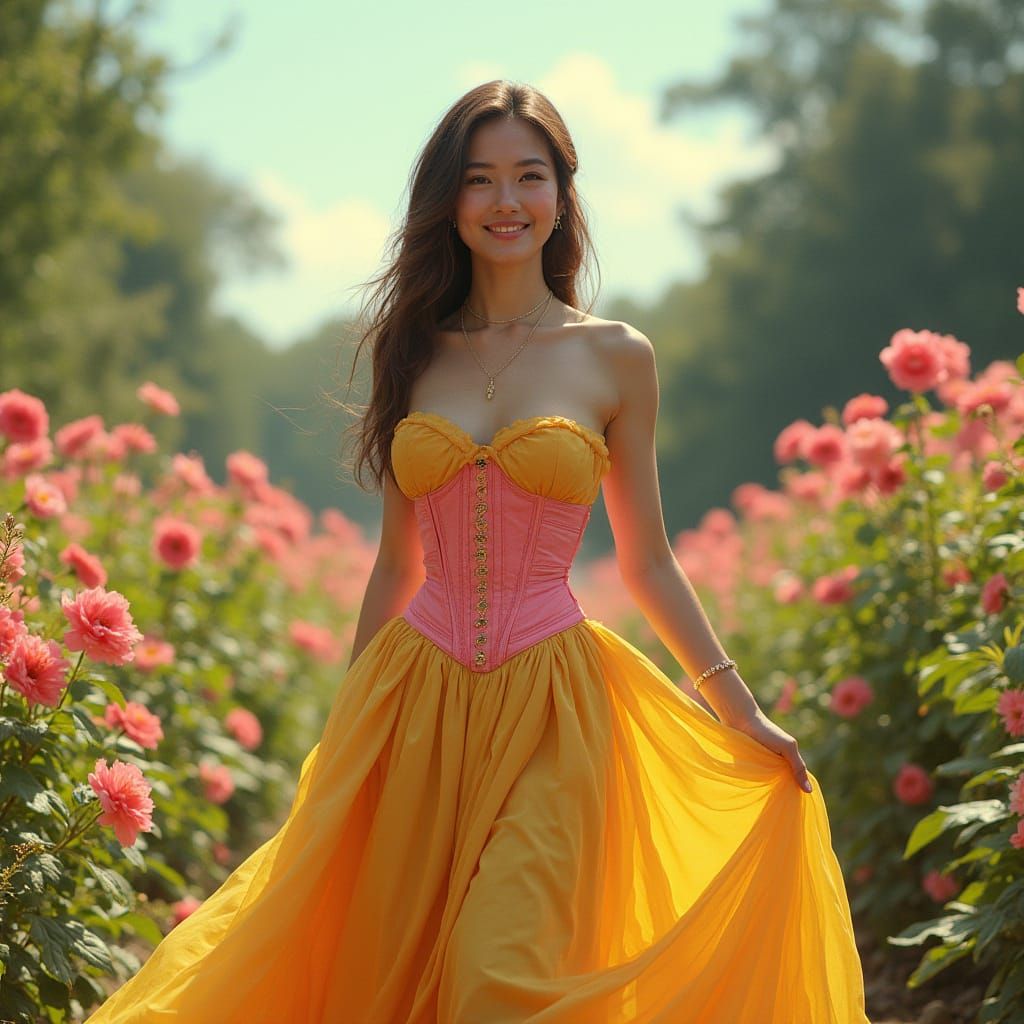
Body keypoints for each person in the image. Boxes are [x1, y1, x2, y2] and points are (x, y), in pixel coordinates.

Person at [85, 80, 871, 1023]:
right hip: (415, 699)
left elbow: (647, 559)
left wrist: (738, 709)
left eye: (529, 178)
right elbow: (395, 566)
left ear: (561, 197)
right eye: (480, 180)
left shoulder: (618, 355)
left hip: (557, 708)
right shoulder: (410, 351)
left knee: (503, 972)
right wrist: (345, 736)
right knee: (385, 966)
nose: (506, 202)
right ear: (448, 203)